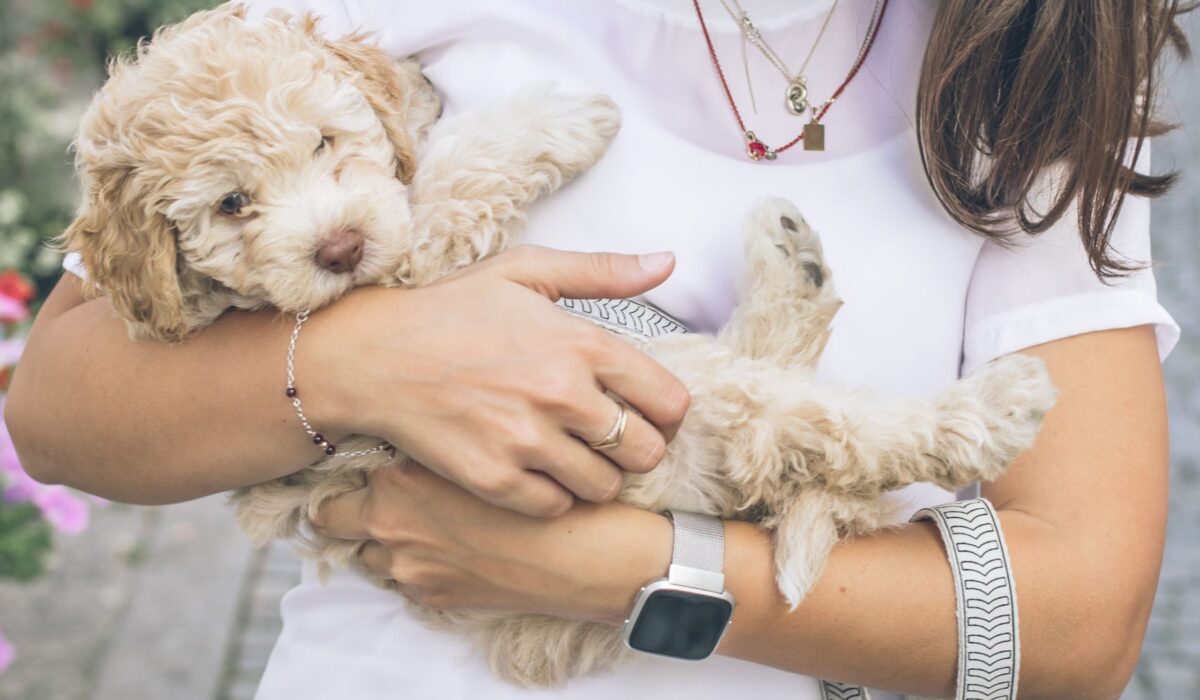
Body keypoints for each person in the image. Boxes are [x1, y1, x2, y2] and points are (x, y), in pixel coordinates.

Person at [7, 0, 1185, 697]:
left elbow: (1084, 619)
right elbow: (56, 403)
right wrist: (356, 361)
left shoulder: (1038, 63)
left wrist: (629, 570)